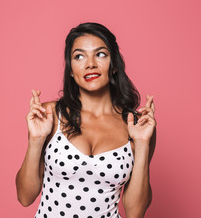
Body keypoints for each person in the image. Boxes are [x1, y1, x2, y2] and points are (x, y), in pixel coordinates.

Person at [15, 22, 157, 218]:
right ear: (71, 70)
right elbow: (25, 197)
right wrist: (36, 140)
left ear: (114, 64)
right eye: (79, 56)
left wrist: (142, 144)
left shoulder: (136, 125)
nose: (90, 64)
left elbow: (135, 213)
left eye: (100, 54)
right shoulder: (50, 114)